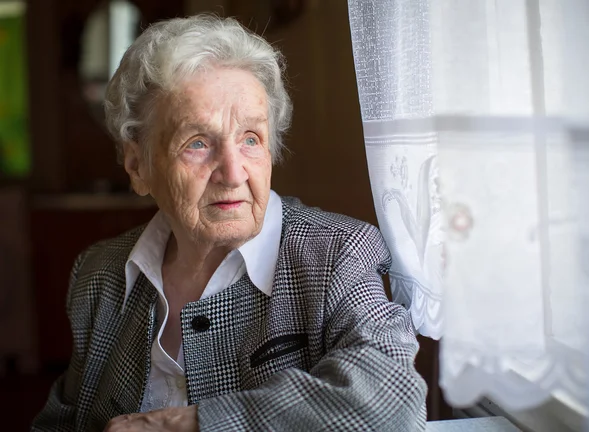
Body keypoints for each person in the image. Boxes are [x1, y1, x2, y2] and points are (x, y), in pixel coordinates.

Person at [32, 14, 427, 432]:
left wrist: (189, 424)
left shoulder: (336, 254)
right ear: (138, 166)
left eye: (250, 139)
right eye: (198, 143)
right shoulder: (100, 273)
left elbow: (393, 400)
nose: (234, 172)